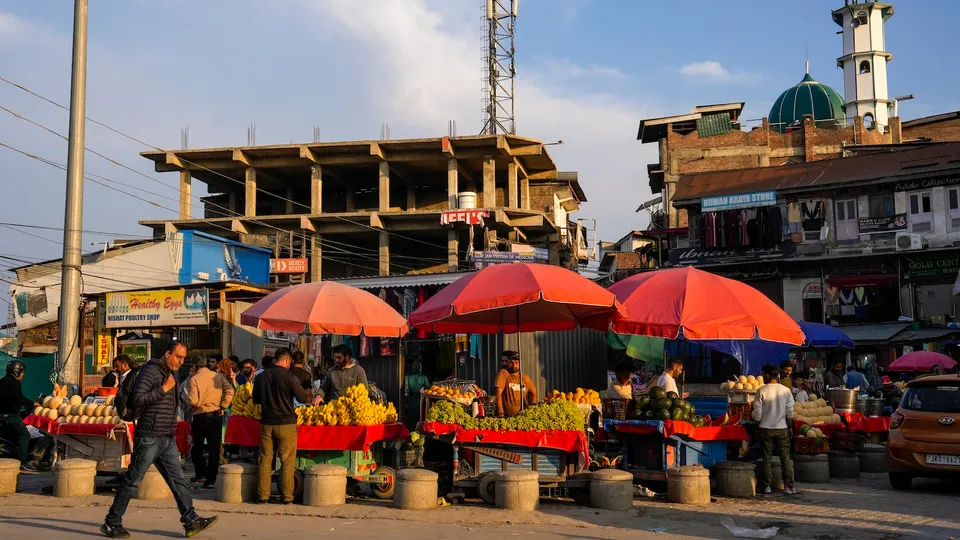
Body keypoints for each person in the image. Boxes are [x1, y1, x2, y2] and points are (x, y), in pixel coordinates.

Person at [102, 342, 217, 539]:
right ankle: (111, 522)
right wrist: (164, 388)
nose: (180, 362)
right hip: (149, 436)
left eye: (183, 359)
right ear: (167, 353)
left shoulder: (171, 373)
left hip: (166, 436)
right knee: (132, 481)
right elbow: (138, 399)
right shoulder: (151, 371)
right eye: (177, 357)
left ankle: (191, 520)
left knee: (178, 480)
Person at [251, 347, 311, 504]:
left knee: (264, 459)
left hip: (266, 423)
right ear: (286, 360)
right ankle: (287, 496)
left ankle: (263, 495)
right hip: (286, 423)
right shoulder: (289, 377)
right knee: (287, 460)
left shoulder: (261, 377)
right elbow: (303, 397)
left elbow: (255, 399)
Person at [187, 356, 234, 489]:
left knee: (197, 448)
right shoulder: (217, 376)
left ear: (195, 367)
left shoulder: (194, 379)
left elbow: (194, 401)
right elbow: (230, 390)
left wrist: (191, 401)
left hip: (200, 416)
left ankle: (201, 474)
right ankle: (211, 480)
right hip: (216, 416)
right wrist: (223, 406)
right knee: (214, 449)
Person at [752, 364, 797, 495]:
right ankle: (788, 486)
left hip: (766, 429)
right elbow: (790, 412)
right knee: (785, 457)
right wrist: (790, 427)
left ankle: (767, 486)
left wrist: (757, 426)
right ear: (777, 375)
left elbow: (758, 414)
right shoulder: (786, 390)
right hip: (782, 428)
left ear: (766, 375)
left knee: (767, 457)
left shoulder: (761, 391)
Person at [0, 360, 40, 473]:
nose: (23, 374)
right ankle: (24, 462)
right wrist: (33, 403)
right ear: (17, 372)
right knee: (24, 435)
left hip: (2, 415)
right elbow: (20, 398)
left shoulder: (3, 381)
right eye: (22, 372)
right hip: (10, 416)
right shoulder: (14, 382)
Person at [494, 352, 537, 418]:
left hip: (523, 416)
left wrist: (532, 409)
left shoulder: (525, 378)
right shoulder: (504, 373)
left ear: (520, 364)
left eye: (516, 363)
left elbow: (534, 392)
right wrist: (500, 413)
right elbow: (498, 393)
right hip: (508, 417)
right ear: (507, 363)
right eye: (511, 362)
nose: (514, 365)